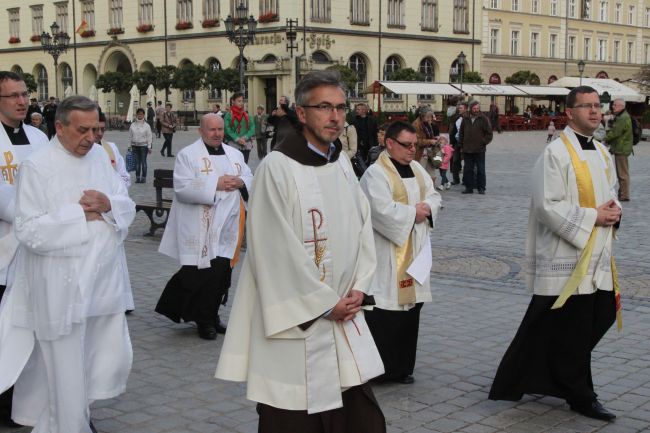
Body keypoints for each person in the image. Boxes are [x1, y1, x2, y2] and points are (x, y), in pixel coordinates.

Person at [215, 70, 386, 432]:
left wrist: (359, 285)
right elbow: (271, 248)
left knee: (360, 418)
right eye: (324, 107)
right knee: (294, 416)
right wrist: (324, 303)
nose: (335, 116)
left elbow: (362, 225)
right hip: (301, 321)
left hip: (345, 310)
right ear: (301, 112)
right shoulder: (277, 168)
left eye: (341, 107)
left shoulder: (340, 162)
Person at [0, 95, 135, 433]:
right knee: (62, 371)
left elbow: (123, 200)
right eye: (82, 130)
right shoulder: (38, 166)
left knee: (91, 364)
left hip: (100, 284)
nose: (91, 138)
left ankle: (72, 421)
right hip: (58, 288)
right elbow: (28, 229)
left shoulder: (99, 159)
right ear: (59, 128)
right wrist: (79, 214)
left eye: (94, 129)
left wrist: (108, 204)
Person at [489, 86, 622, 422]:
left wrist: (614, 212)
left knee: (594, 317)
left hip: (597, 257)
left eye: (597, 106)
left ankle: (530, 375)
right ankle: (580, 395)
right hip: (567, 256)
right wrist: (595, 217)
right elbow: (548, 206)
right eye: (586, 106)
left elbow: (613, 193)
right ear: (569, 112)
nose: (594, 112)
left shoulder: (603, 153)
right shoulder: (556, 153)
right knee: (569, 329)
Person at [156, 113, 252, 340]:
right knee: (202, 273)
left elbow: (249, 177)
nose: (217, 134)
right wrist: (215, 183)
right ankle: (203, 320)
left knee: (222, 273)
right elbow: (182, 187)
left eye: (220, 129)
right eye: (212, 130)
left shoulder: (235, 154)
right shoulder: (188, 155)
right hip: (201, 224)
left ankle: (212, 315)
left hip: (229, 226)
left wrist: (241, 182)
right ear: (201, 131)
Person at [360, 120, 441, 385]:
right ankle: (380, 369)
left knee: (411, 310)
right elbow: (379, 210)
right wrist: (413, 213)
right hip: (388, 253)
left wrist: (427, 208)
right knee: (387, 311)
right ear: (390, 143)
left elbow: (434, 195)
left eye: (415, 145)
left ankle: (403, 367)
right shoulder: (375, 174)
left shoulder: (417, 168)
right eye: (407, 145)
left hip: (416, 251)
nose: (411, 150)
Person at [0, 71, 50, 428]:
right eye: (13, 96)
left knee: (27, 331)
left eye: (24, 94)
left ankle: (25, 404)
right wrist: (32, 213)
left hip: (35, 248)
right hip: (3, 247)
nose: (22, 101)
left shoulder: (37, 135)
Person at [459, 101, 493, 195]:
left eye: (477, 108)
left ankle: (481, 188)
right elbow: (461, 133)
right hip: (467, 149)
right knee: (468, 169)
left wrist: (483, 142)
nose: (476, 110)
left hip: (479, 149)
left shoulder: (483, 118)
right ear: (470, 108)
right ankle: (468, 187)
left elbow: (489, 134)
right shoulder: (465, 118)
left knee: (481, 170)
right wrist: (461, 145)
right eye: (474, 108)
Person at [604, 98, 633, 202]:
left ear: (621, 106)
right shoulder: (622, 116)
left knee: (622, 173)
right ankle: (623, 193)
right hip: (621, 147)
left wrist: (604, 139)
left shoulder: (622, 118)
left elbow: (615, 132)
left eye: (615, 105)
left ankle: (624, 195)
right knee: (622, 172)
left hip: (621, 148)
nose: (613, 106)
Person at [96, 111, 131, 188]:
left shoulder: (111, 148)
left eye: (102, 129)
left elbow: (125, 178)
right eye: (95, 129)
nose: (100, 133)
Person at [224, 92, 255, 163]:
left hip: (245, 144)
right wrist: (237, 139)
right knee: (234, 165)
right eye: (239, 101)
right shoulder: (228, 115)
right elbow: (227, 129)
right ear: (233, 101)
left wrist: (245, 137)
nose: (241, 103)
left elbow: (252, 127)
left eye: (242, 101)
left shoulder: (247, 115)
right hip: (232, 144)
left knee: (244, 165)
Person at [412, 107, 440, 185]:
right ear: (422, 116)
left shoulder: (427, 123)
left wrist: (435, 140)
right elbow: (417, 141)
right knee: (420, 175)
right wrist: (430, 141)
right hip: (420, 153)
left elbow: (429, 136)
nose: (429, 119)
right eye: (427, 117)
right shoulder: (415, 125)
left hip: (430, 152)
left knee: (432, 175)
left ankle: (431, 192)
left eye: (430, 116)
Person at [129, 107, 153, 183]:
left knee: (143, 162)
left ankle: (144, 177)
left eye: (141, 114)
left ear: (143, 115)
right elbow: (130, 136)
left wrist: (149, 147)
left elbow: (149, 136)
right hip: (135, 146)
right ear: (136, 115)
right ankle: (137, 177)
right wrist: (129, 146)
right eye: (138, 114)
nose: (140, 115)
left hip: (143, 146)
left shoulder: (147, 126)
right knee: (137, 162)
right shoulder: (133, 125)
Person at [448, 101, 467, 185]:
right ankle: (456, 179)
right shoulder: (457, 118)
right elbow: (453, 130)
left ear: (466, 109)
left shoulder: (468, 118)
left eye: (461, 108)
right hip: (457, 142)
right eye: (459, 108)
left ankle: (465, 179)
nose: (459, 109)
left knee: (467, 162)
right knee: (455, 161)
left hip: (466, 143)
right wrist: (451, 142)